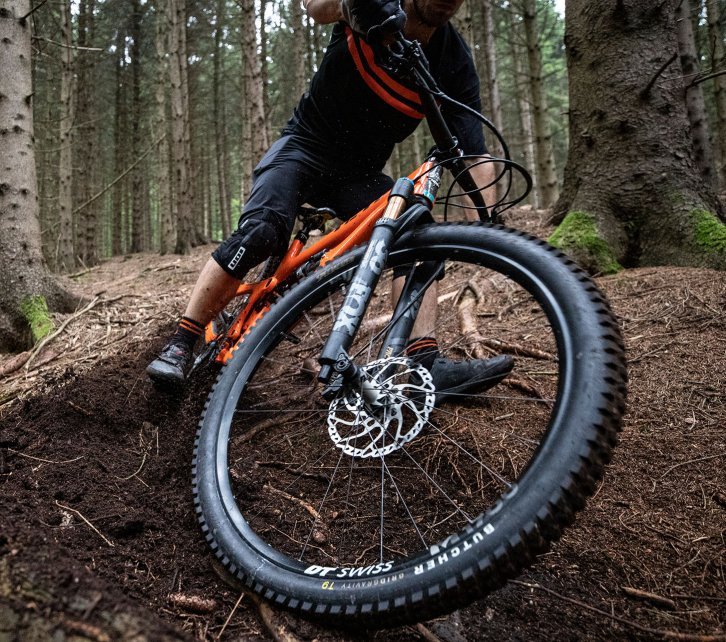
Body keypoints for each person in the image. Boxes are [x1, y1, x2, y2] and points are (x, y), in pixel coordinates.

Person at [147, 0, 513, 401]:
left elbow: (474, 156)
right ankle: (183, 341)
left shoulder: (453, 62)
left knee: (417, 238)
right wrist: (348, 7)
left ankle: (420, 363)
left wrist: (486, 224)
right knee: (262, 232)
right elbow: (316, 7)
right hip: (302, 149)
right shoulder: (377, 5)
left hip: (359, 175)